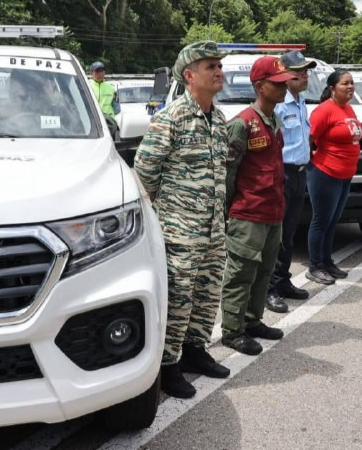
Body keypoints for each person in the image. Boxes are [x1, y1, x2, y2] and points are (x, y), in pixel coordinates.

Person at [134, 41, 229, 398]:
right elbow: (144, 172)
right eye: (210, 66)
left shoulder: (218, 119)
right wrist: (170, 215)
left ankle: (194, 351)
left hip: (212, 230)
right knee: (177, 299)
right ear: (189, 76)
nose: (218, 71)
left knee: (206, 295)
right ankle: (168, 366)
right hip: (179, 232)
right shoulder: (170, 118)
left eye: (219, 65)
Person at [219, 56, 293, 355]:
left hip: (272, 211)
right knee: (240, 274)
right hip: (248, 213)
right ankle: (232, 331)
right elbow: (227, 175)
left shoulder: (274, 120)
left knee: (264, 271)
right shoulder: (242, 124)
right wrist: (228, 214)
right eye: (277, 84)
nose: (284, 88)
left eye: (284, 82)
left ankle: (252, 321)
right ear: (260, 86)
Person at [266, 50, 316, 313]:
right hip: (282, 173)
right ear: (284, 74)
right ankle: (269, 288)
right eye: (299, 70)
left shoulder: (300, 101)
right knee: (277, 235)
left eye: (306, 70)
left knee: (290, 232)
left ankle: (283, 280)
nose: (304, 74)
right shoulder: (278, 105)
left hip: (299, 173)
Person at [305, 70, 362, 285]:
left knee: (332, 221)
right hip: (325, 173)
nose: (350, 87)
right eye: (345, 84)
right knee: (321, 220)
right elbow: (310, 138)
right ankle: (315, 266)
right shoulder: (324, 110)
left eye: (352, 83)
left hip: (345, 174)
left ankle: (327, 261)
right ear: (332, 89)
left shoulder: (348, 108)